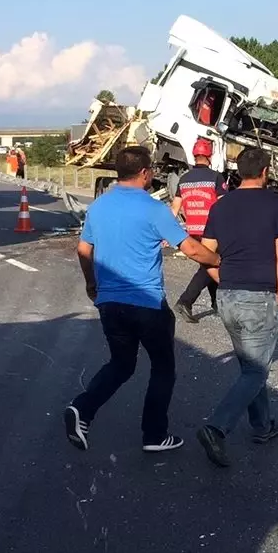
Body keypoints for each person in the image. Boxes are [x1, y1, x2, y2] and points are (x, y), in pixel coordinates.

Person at [64, 146, 221, 454]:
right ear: (146, 173)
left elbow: (84, 251)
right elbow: (190, 249)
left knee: (121, 364)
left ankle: (82, 408)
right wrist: (217, 260)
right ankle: (154, 435)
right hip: (147, 304)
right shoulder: (153, 209)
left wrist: (92, 284)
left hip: (110, 304)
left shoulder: (99, 207)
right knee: (163, 367)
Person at [194, 146, 278, 468]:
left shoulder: (220, 207)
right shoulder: (275, 205)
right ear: (265, 171)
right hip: (259, 298)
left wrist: (220, 275)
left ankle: (262, 426)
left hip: (227, 298)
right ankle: (216, 427)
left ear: (238, 172)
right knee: (255, 370)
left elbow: (203, 252)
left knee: (251, 366)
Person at [171, 137, 227, 323]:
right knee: (212, 263)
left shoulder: (184, 179)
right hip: (212, 231)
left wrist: (169, 232)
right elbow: (223, 205)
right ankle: (185, 301)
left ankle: (216, 303)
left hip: (193, 231)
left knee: (207, 264)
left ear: (194, 156)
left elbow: (175, 208)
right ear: (209, 155)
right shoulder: (216, 177)